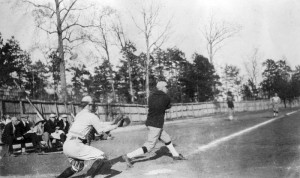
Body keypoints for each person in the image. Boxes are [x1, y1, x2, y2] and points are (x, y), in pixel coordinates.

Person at [122, 81, 186, 168]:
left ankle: (175, 155)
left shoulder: (151, 96)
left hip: (150, 122)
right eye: (166, 87)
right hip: (156, 124)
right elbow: (168, 106)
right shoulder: (166, 97)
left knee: (166, 138)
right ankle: (128, 156)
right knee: (149, 146)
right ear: (162, 87)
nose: (167, 89)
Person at [57, 95, 124, 178]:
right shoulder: (92, 116)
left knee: (77, 167)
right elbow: (100, 131)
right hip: (76, 145)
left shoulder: (79, 115)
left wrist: (112, 122)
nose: (94, 106)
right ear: (89, 105)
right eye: (92, 104)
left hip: (67, 145)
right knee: (103, 156)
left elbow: (98, 124)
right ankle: (89, 176)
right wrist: (116, 126)